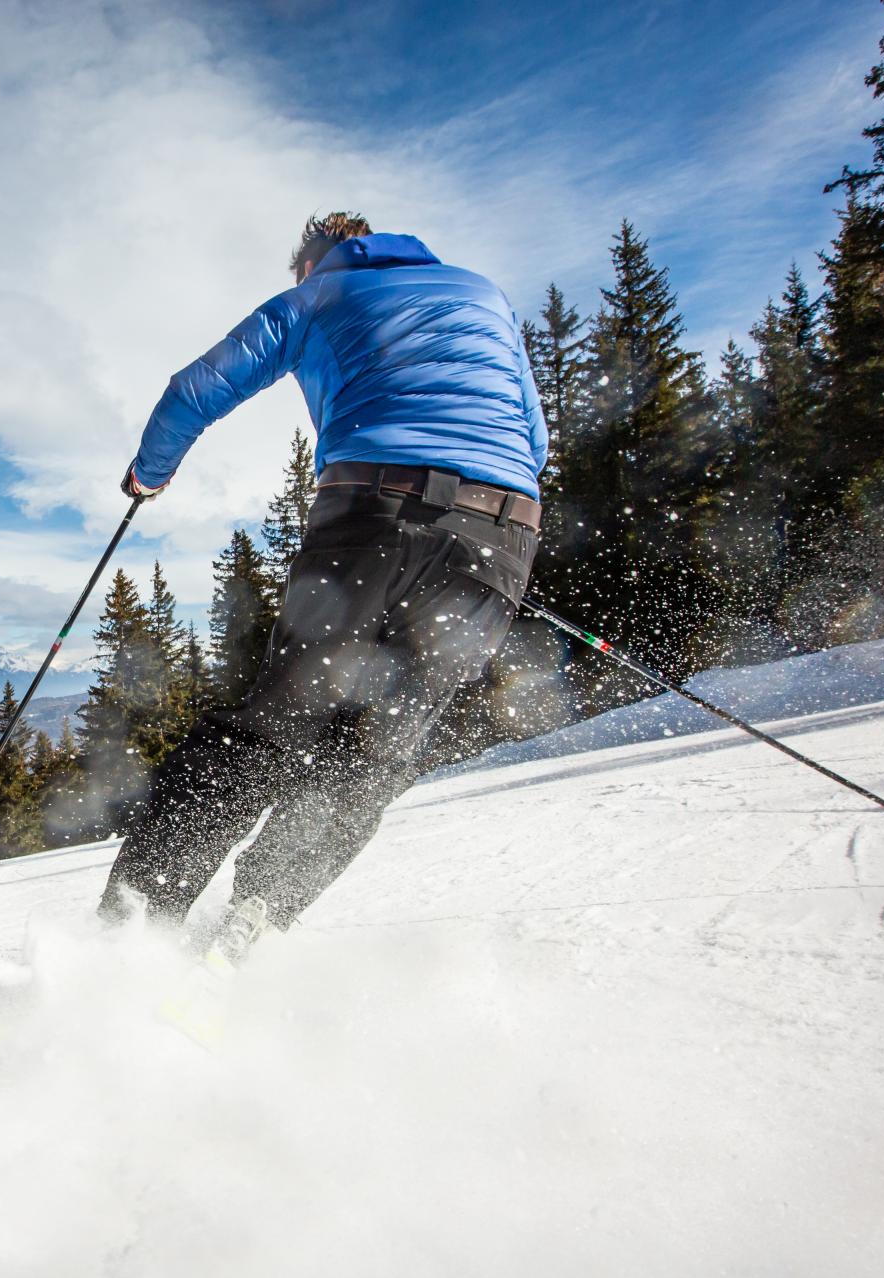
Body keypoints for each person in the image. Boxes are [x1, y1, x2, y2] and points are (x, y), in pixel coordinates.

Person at [98, 212, 548, 953]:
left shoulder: (322, 294)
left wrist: (149, 473)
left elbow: (198, 385)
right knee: (380, 746)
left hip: (374, 510)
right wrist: (479, 526)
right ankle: (252, 923)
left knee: (275, 724)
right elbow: (534, 440)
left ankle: (131, 926)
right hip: (502, 535)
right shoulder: (484, 296)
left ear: (314, 261)